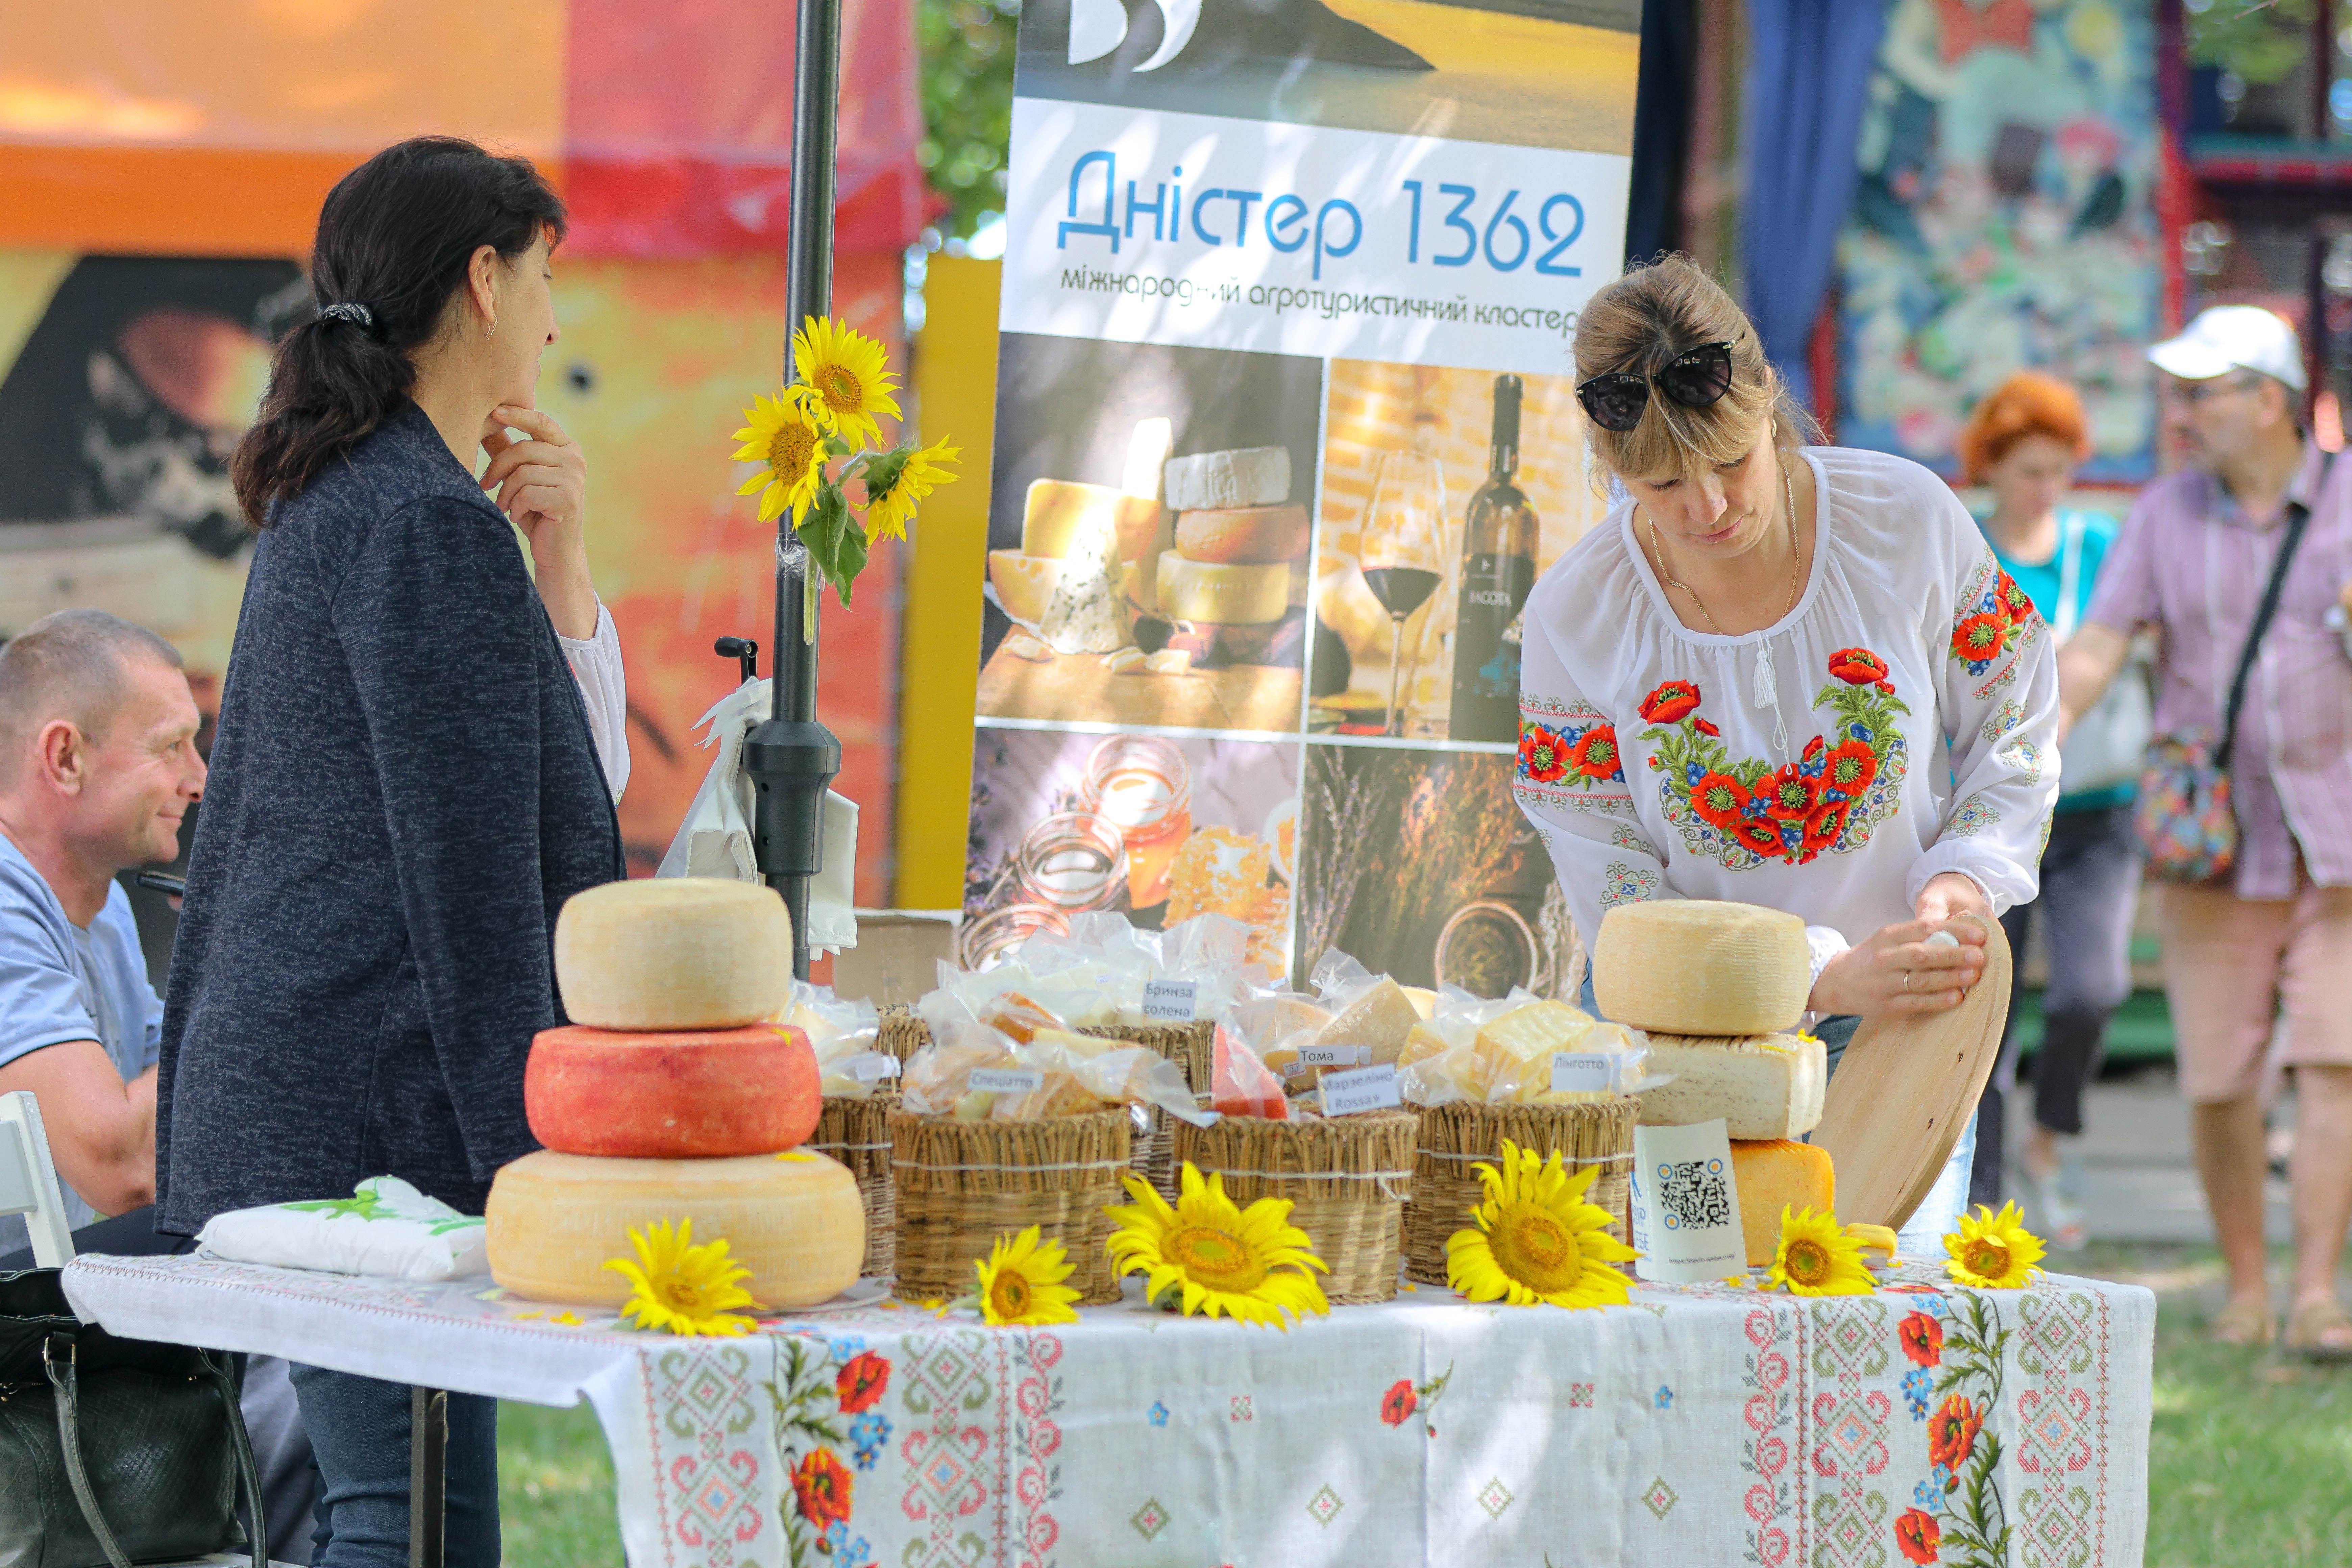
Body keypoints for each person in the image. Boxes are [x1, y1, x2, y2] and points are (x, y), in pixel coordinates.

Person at [157, 137, 630, 1566]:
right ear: (485, 281)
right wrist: (536, 1160)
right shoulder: (422, 523)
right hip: (360, 1130)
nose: (555, 318)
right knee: (412, 1520)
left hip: (306, 1106)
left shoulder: (365, 497)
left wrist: (557, 560)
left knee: (419, 1511)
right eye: (544, 276)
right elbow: (475, 885)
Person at [1518, 255, 2060, 1253]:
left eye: (1732, 464)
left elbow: (2016, 713)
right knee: (1700, 1304)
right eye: (1662, 485)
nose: (1708, 510)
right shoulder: (1576, 614)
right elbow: (1616, 893)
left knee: (1886, 1317)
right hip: (1688, 1049)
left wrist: (1969, 877)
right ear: (1611, 470)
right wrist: (1811, 978)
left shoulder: (1905, 522)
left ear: (1771, 406)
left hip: (1909, 1013)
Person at [2058, 304, 2352, 1356]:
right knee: (2221, 1080)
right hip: (2211, 848)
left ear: (2270, 402)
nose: (2180, 416)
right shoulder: (2163, 515)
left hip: (2340, 848)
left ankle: (2316, 1292)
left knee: (2337, 1065)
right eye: (2177, 395)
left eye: (2201, 395)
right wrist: (2035, 742)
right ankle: (2246, 1288)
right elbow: (2098, 644)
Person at [0, 607, 318, 1562]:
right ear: (65, 758)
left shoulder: (93, 919)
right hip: (27, 1322)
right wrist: (261, 951)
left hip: (61, 1307)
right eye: (172, 746)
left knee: (303, 1227)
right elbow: (123, 1164)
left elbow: (188, 1126)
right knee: (304, 1265)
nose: (199, 779)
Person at [1957, 373, 2142, 1241]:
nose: (2045, 487)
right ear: (1992, 467)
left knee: (2092, 989)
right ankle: (1985, 1198)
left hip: (2094, 806)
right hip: (1991, 807)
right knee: (1985, 1004)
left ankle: (2050, 1135)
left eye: (2060, 469)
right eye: (2029, 469)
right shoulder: (1964, 546)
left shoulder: (2097, 546)